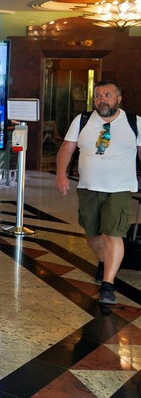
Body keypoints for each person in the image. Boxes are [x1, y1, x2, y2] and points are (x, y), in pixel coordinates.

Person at [56, 80, 141, 304]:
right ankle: (105, 260)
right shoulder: (82, 120)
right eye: (98, 96)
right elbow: (66, 148)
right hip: (88, 187)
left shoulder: (134, 122)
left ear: (119, 99)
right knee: (92, 233)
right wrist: (61, 174)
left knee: (113, 233)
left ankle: (108, 284)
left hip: (119, 188)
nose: (102, 100)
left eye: (107, 95)